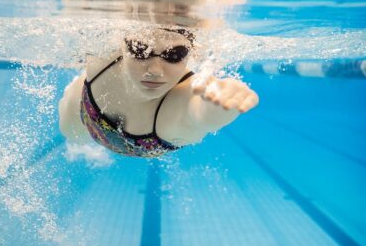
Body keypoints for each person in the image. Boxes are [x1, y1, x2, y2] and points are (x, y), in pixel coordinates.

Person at [58, 27, 259, 158]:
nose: (155, 70)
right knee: (73, 135)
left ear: (190, 53)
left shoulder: (180, 102)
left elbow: (198, 112)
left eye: (174, 55)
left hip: (147, 140)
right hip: (84, 108)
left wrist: (221, 104)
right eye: (140, 50)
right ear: (123, 46)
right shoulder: (104, 56)